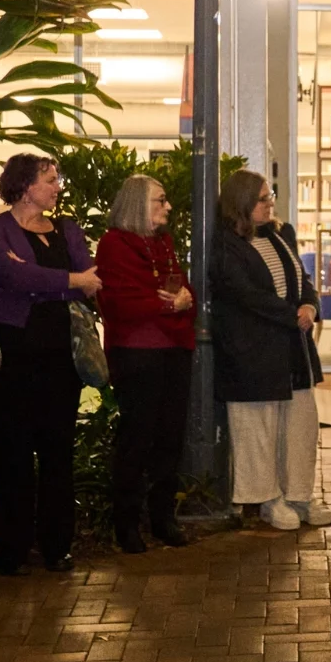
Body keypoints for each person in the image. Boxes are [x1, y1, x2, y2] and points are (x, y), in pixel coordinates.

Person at [0, 153, 100, 574]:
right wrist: (67, 281)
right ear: (25, 185)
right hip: (14, 356)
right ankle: (13, 550)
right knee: (13, 452)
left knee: (57, 453)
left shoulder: (68, 229)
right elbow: (11, 278)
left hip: (60, 357)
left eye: (57, 180)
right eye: (50, 180)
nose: (57, 187)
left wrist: (46, 280)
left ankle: (57, 546)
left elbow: (90, 281)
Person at [210, 170, 331, 533]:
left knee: (300, 425)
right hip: (251, 351)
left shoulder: (281, 235)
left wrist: (309, 306)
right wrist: (292, 315)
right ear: (242, 203)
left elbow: (302, 280)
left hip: (292, 350)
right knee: (257, 428)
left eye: (270, 196)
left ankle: (299, 495)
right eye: (263, 198)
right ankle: (267, 499)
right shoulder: (225, 244)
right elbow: (244, 294)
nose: (270, 203)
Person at [97, 174, 197, 552]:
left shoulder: (164, 243)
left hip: (173, 349)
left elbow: (182, 292)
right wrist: (168, 304)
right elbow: (122, 303)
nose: (167, 206)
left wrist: (180, 303)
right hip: (137, 356)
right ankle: (126, 524)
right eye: (160, 200)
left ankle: (163, 518)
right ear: (138, 204)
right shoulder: (114, 244)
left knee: (170, 437)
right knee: (136, 439)